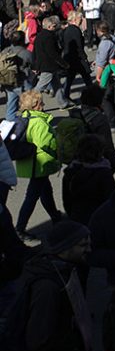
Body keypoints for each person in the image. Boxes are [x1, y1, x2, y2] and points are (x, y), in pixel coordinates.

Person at [7, 220, 95, 351]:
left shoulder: (62, 269)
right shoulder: (48, 287)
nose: (89, 249)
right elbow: (39, 342)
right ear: (65, 248)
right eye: (83, 245)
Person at [11, 89, 64, 241]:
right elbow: (47, 144)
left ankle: (55, 215)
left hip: (30, 164)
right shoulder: (39, 122)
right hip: (39, 165)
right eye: (41, 102)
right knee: (32, 196)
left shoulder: (24, 118)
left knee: (45, 190)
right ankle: (20, 228)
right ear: (37, 105)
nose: (44, 104)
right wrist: (60, 152)